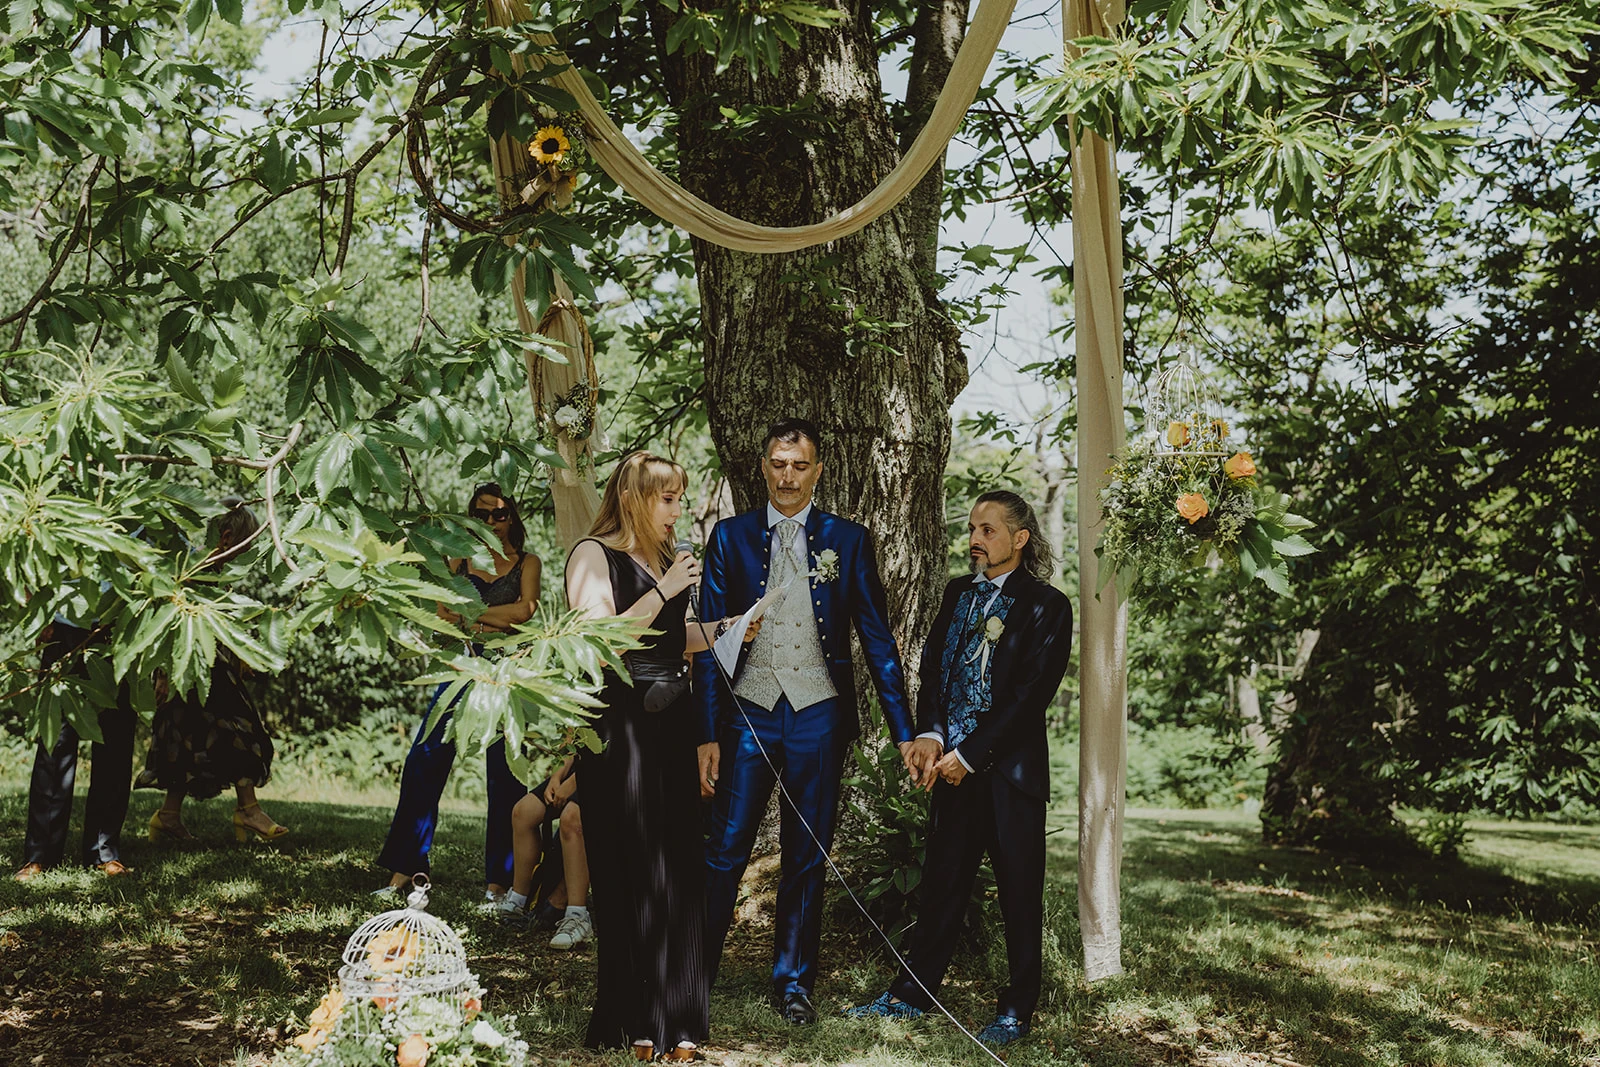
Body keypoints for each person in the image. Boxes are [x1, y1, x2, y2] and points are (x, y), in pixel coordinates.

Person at [695, 417, 919, 1025]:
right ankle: (696, 973)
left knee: (807, 853)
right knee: (725, 848)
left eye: (799, 465)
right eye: (777, 463)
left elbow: (877, 639)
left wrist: (905, 730)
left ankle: (793, 982)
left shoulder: (846, 540)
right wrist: (706, 733)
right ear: (763, 467)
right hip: (749, 713)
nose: (788, 475)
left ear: (818, 470)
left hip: (818, 714)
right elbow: (709, 645)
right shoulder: (731, 537)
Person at [847, 491, 1072, 1047]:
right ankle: (910, 995)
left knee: (1020, 895)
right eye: (972, 527)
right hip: (950, 769)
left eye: (989, 530)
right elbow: (935, 671)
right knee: (942, 886)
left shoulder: (1047, 605)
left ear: (1020, 539)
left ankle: (1017, 1008)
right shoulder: (956, 593)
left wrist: (971, 757)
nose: (975, 538)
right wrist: (930, 735)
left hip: (1008, 776)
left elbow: (1030, 697)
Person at [566, 450, 758, 1061]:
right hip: (620, 729)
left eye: (679, 497)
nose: (678, 510)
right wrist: (668, 587)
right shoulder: (592, 556)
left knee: (677, 865)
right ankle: (633, 1019)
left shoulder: (662, 560)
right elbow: (597, 646)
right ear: (634, 500)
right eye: (668, 499)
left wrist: (729, 627)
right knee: (631, 866)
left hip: (670, 722)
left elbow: (674, 639)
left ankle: (678, 1020)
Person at [375, 483, 541, 904]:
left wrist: (474, 616)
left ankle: (499, 884)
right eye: (482, 514)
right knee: (424, 761)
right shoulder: (459, 561)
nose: (490, 522)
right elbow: (444, 613)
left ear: (512, 517)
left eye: (499, 514)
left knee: (505, 774)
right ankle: (405, 869)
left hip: (505, 675)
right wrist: (491, 620)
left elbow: (525, 612)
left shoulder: (527, 562)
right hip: (457, 670)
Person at [139, 499, 287, 843]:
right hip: (185, 667)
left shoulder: (220, 573)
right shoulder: (194, 567)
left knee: (186, 741)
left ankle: (169, 817)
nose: (246, 557)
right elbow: (167, 619)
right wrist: (162, 672)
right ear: (225, 537)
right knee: (236, 731)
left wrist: (241, 655)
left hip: (211, 665)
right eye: (245, 547)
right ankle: (248, 812)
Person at [13, 618, 137, 879]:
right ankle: (40, 855)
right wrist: (38, 616)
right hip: (65, 627)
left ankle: (104, 852)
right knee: (54, 745)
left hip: (119, 627)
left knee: (115, 745)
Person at [498, 755, 594, 950]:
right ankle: (517, 901)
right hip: (579, 769)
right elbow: (570, 738)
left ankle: (577, 917)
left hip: (605, 769)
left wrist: (575, 781)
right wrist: (556, 778)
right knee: (523, 812)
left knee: (571, 819)